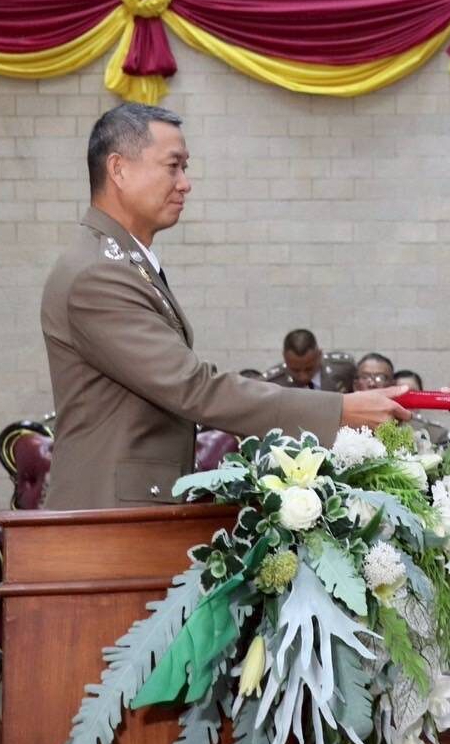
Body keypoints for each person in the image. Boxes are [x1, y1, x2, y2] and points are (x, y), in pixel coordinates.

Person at [40, 104, 408, 509]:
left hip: (129, 506)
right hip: (103, 514)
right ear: (119, 169)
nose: (185, 183)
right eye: (173, 166)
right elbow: (193, 388)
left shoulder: (123, 261)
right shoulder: (99, 273)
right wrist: (338, 410)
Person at [265, 328, 357, 392]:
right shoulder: (271, 384)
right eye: (295, 370)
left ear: (320, 355)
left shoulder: (344, 369)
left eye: (309, 369)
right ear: (284, 357)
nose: (303, 377)